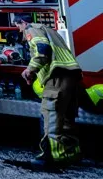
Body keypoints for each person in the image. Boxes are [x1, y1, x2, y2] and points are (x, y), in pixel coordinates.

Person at [15, 14, 82, 168]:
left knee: (50, 111)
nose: (19, 31)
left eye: (18, 26)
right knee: (66, 116)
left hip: (56, 75)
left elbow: (42, 50)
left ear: (23, 23)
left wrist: (30, 69)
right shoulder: (48, 29)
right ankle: (70, 152)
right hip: (70, 74)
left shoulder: (32, 29)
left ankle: (51, 156)